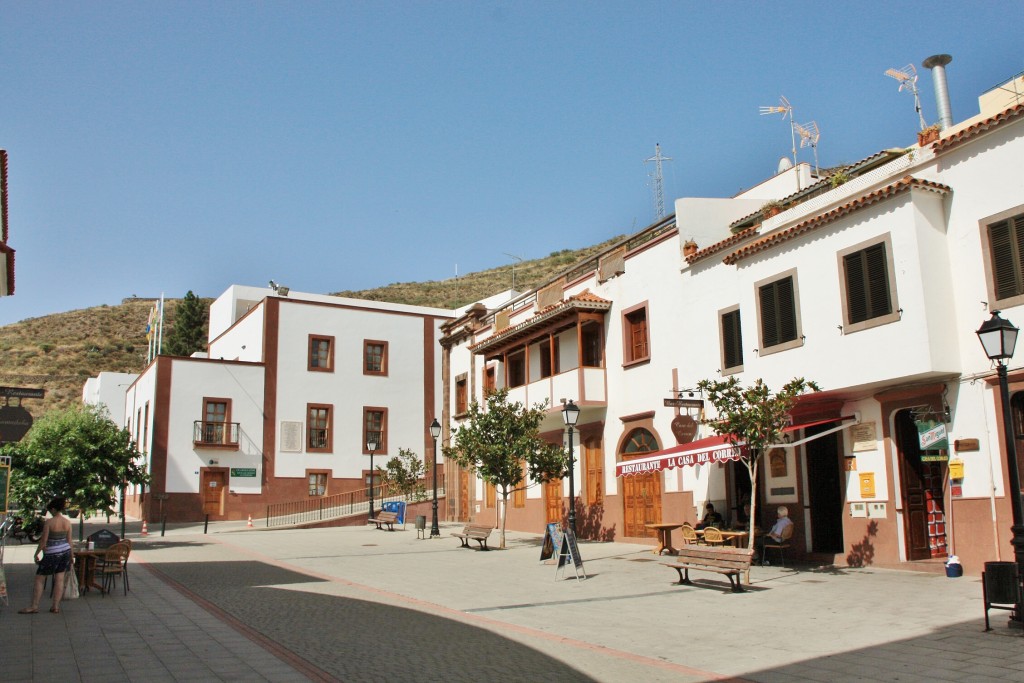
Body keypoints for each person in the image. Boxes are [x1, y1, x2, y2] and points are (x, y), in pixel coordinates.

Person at [19, 496, 75, 614]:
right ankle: (55, 606)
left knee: (40, 578)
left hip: (51, 553)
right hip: (64, 552)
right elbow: (70, 541)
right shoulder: (67, 522)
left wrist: (36, 554)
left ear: (54, 509)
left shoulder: (49, 522)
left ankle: (34, 606)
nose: (50, 512)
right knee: (59, 579)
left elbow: (43, 541)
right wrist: (71, 556)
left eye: (50, 510)